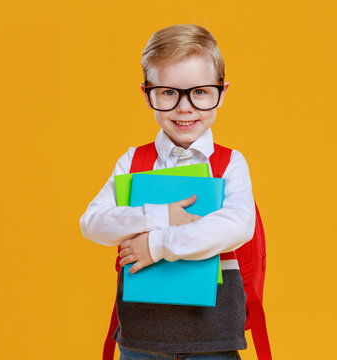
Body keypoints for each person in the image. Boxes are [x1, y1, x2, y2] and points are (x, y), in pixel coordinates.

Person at [80, 24, 256, 360]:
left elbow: (238, 225)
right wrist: (159, 215)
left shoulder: (231, 163)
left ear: (222, 90)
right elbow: (92, 223)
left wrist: (157, 244)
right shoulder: (133, 160)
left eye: (200, 92)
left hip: (213, 336)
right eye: (169, 92)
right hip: (141, 336)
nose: (185, 107)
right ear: (148, 93)